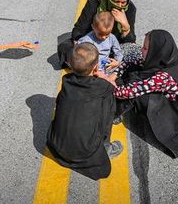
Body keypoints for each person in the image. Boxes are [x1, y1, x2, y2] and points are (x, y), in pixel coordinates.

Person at [98, 30, 178, 158]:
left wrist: (106, 81)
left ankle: (114, 113)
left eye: (145, 48)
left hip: (177, 116)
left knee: (132, 88)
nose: (141, 50)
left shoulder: (163, 77)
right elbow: (130, 62)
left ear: (156, 51)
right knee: (132, 73)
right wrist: (115, 74)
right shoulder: (168, 60)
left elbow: (126, 92)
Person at [46, 43, 122, 180]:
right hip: (85, 151)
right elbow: (114, 88)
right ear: (96, 67)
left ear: (70, 65)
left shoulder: (66, 82)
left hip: (57, 145)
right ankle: (105, 146)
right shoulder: (102, 87)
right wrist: (104, 77)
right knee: (109, 101)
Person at [57, 0, 136, 67]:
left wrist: (125, 25)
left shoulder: (130, 8)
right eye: (116, 1)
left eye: (123, 2)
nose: (119, 5)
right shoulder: (94, 2)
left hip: (114, 46)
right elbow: (79, 29)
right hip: (91, 43)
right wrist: (85, 49)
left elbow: (130, 41)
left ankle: (100, 65)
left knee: (135, 52)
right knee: (64, 47)